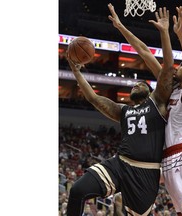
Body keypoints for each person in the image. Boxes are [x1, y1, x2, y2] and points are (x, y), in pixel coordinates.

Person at [66, 4, 174, 215]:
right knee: (78, 190)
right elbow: (94, 99)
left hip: (145, 172)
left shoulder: (158, 101)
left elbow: (145, 53)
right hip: (120, 164)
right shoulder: (124, 111)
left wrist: (120, 26)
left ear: (150, 89)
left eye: (140, 84)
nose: (135, 85)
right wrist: (76, 71)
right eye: (133, 85)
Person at [108, 4, 182, 216]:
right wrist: (120, 27)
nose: (179, 66)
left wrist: (180, 35)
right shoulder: (170, 89)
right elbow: (145, 53)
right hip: (167, 162)